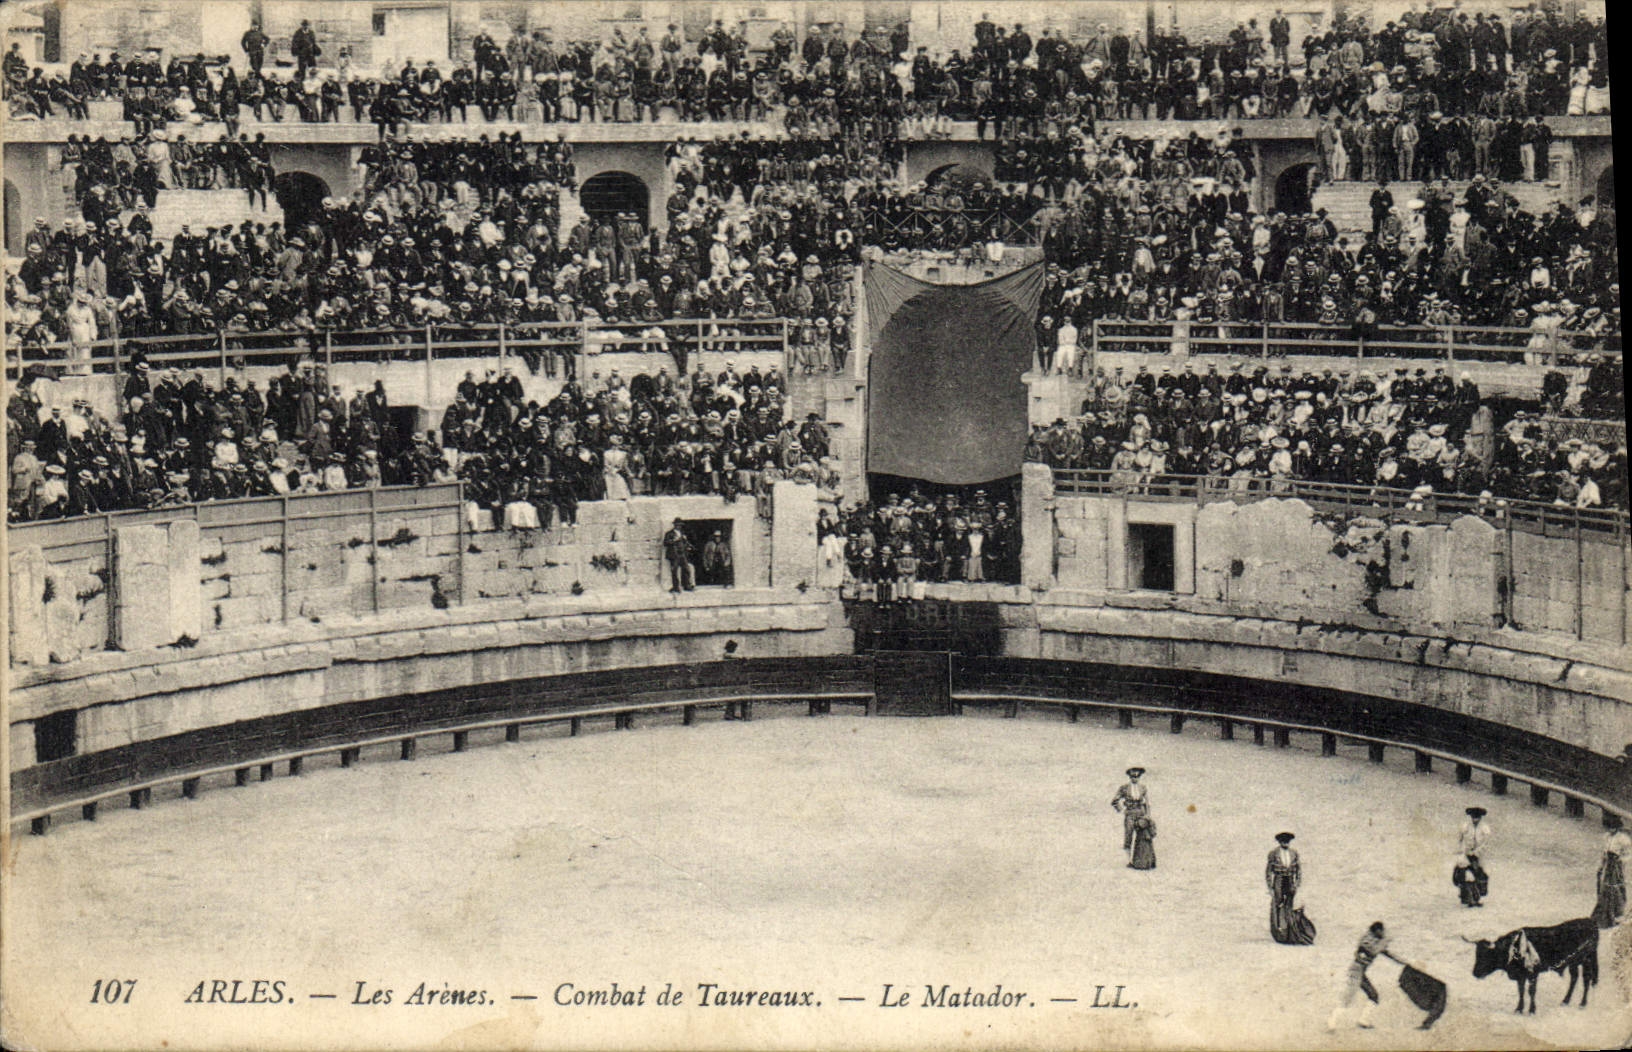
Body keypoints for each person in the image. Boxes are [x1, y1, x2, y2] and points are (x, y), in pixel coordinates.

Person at [1266, 831, 1314, 944]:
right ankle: (1280, 932)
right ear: (1279, 842)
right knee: (1278, 904)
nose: (1285, 843)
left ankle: (1290, 931)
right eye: (1283, 841)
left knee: (1290, 904)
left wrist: (1297, 884)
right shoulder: (1273, 853)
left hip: (1290, 881)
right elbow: (1269, 872)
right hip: (1278, 880)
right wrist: (1270, 888)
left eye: (1287, 841)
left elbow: (1298, 870)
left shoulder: (1294, 853)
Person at [1593, 814, 1629, 928]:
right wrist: (1601, 865)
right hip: (1608, 864)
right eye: (1609, 827)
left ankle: (1617, 913)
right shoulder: (1606, 837)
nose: (1610, 830)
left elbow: (1629, 854)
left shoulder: (1623, 839)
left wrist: (1621, 860)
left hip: (1617, 865)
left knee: (1616, 888)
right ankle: (1604, 915)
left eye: (1613, 827)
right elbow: (1604, 854)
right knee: (1604, 887)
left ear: (1618, 827)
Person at [1455, 806, 1492, 907]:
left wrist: (1476, 853)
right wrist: (1463, 851)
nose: (1475, 820)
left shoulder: (1485, 829)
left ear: (1480, 818)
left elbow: (1486, 844)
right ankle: (1467, 897)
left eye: (1477, 818)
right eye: (1473, 817)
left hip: (1480, 856)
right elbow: (1459, 840)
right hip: (1466, 854)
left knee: (1479, 875)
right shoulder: (1465, 827)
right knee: (1464, 875)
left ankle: (1476, 897)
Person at [1111, 766, 1150, 861]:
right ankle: (1128, 860)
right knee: (1128, 835)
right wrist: (1121, 810)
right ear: (1129, 776)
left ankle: (1141, 860)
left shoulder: (1143, 788)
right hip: (1130, 814)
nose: (1135, 778)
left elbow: (1147, 803)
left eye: (1137, 776)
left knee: (1142, 837)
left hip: (1141, 813)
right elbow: (1114, 801)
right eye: (1133, 776)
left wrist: (1147, 815)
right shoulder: (1124, 788)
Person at [662, 517, 694, 593]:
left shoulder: (682, 534)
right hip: (674, 555)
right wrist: (674, 540)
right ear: (675, 525)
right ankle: (675, 587)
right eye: (677, 525)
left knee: (686, 569)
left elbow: (685, 543)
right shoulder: (669, 533)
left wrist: (688, 546)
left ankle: (686, 585)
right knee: (674, 571)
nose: (679, 526)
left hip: (682, 554)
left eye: (680, 525)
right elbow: (665, 543)